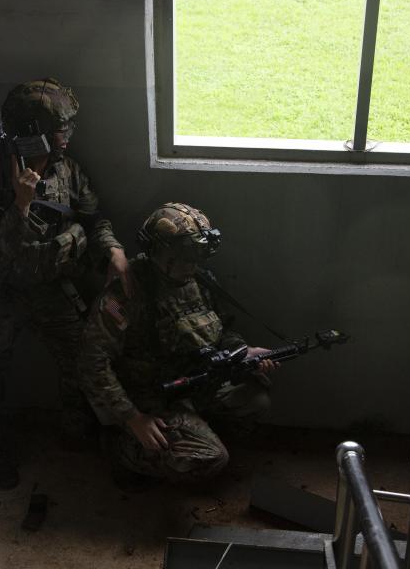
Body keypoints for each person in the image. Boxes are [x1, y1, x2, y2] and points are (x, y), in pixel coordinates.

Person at [0, 78, 131, 489]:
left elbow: (91, 216)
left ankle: (76, 431)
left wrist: (113, 250)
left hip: (49, 286)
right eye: (58, 130)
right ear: (33, 132)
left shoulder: (67, 170)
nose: (66, 137)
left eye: (68, 128)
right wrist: (20, 204)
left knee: (82, 357)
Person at [78, 203, 277, 487]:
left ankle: (193, 432)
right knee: (211, 458)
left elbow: (223, 330)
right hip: (149, 397)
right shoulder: (128, 291)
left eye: (196, 258)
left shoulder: (200, 280)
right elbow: (92, 363)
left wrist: (242, 352)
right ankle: (121, 449)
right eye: (184, 259)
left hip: (192, 382)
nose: (192, 266)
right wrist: (133, 418)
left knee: (256, 400)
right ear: (159, 252)